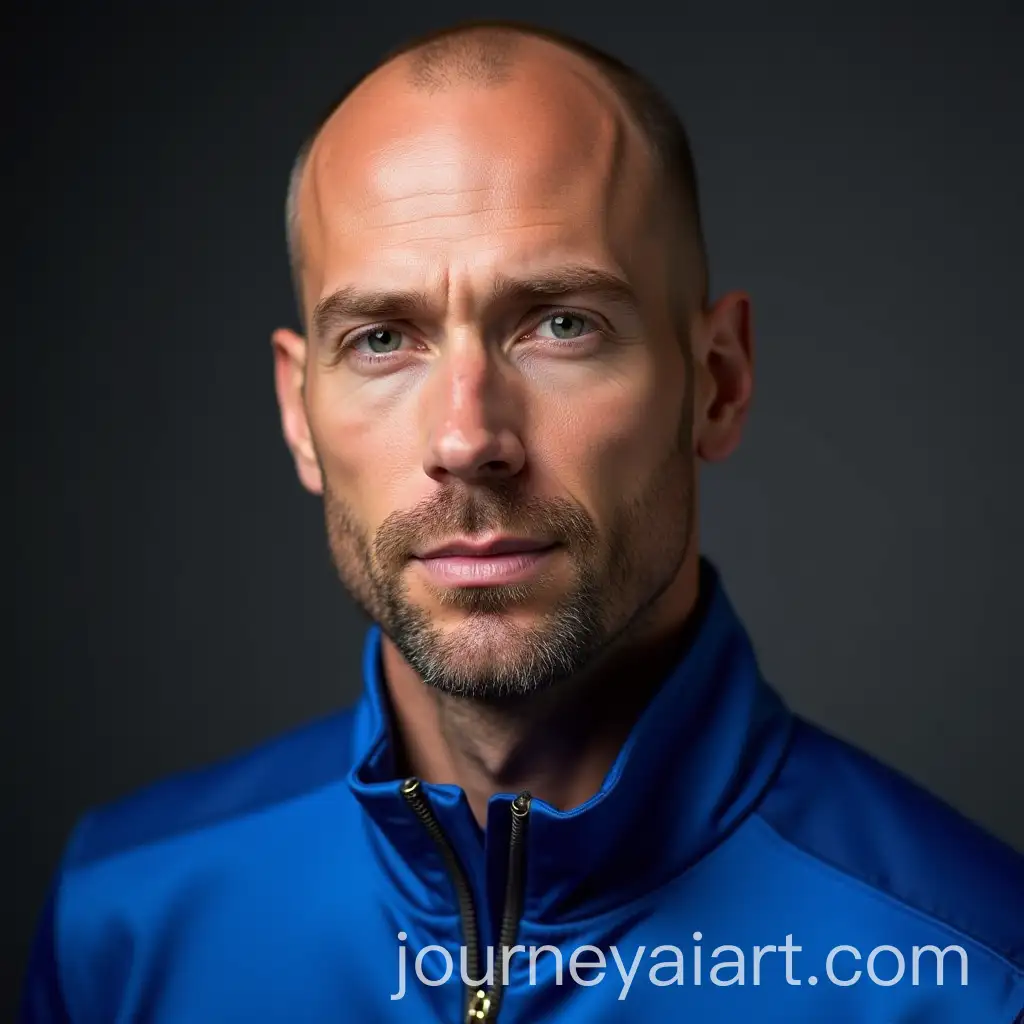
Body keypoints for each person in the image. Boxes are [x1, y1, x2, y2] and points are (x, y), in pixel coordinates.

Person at [20, 19, 1024, 1024]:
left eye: (561, 325)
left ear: (716, 382)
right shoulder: (123, 925)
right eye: (380, 339)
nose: (467, 437)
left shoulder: (973, 978)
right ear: (299, 412)